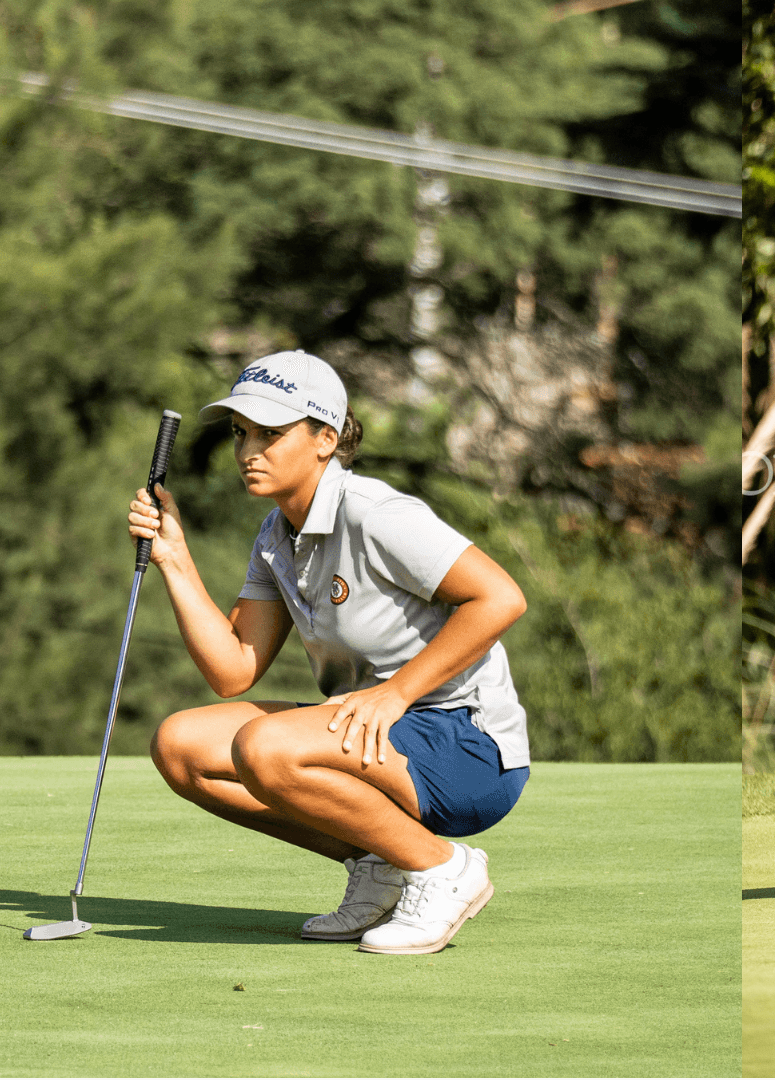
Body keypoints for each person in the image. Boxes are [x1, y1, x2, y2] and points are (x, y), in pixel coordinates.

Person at [128, 350, 531, 951]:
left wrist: (394, 695)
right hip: (372, 738)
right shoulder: (275, 535)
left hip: (466, 747)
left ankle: (442, 869)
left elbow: (500, 598)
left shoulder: (375, 513)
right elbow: (233, 668)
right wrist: (174, 556)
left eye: (270, 433)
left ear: (325, 438)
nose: (247, 452)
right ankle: (380, 864)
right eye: (241, 434)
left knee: (264, 749)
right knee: (181, 747)